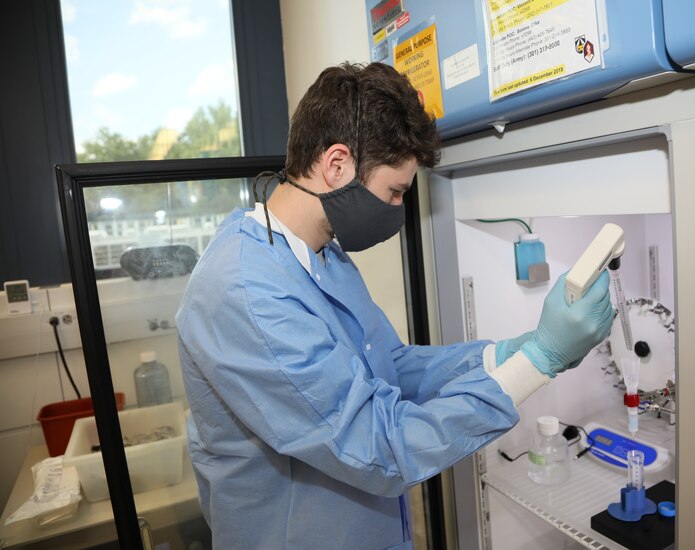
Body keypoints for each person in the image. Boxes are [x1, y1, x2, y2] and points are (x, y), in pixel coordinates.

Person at [175, 62, 613, 549]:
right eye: (395, 191)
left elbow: (391, 367)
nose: (398, 210)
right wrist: (539, 361)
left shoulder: (323, 254)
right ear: (336, 165)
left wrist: (508, 354)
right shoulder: (245, 291)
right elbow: (379, 447)